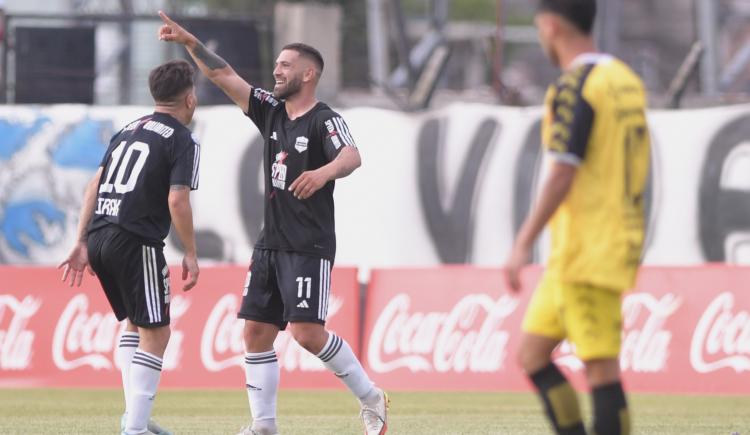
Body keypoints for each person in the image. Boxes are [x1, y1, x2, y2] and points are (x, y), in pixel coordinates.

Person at [157, 11, 389, 435]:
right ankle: (264, 426)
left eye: (285, 65)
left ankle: (371, 396)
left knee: (306, 334)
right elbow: (225, 75)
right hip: (269, 245)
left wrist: (322, 173)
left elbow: (351, 155)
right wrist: (191, 43)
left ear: (309, 73)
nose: (276, 71)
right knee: (256, 334)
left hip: (308, 245)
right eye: (277, 64)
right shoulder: (271, 112)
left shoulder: (324, 119)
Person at [504, 1, 650, 434]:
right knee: (532, 354)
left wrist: (523, 240)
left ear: (550, 26)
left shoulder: (576, 85)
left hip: (588, 248)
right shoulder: (624, 79)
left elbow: (563, 171)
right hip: (594, 244)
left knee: (601, 368)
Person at [59, 59, 201, 435]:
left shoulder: (128, 130)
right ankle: (135, 429)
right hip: (134, 239)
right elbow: (177, 200)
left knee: (134, 323)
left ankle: (132, 419)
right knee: (158, 332)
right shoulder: (182, 139)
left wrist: (81, 240)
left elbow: (94, 185)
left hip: (101, 235)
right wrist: (190, 251)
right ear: (190, 98)